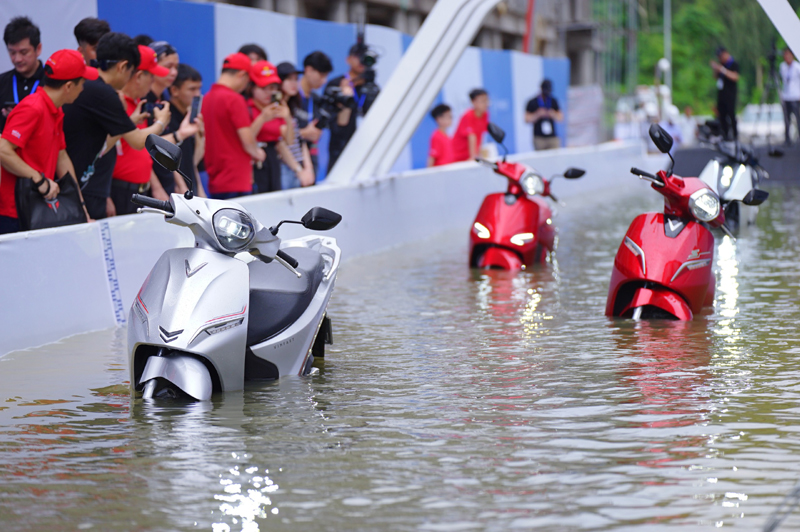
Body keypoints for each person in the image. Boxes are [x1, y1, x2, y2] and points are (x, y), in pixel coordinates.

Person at [63, 32, 170, 219]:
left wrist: (128, 124)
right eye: (131, 72)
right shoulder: (104, 93)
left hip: (78, 184)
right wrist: (161, 122)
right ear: (122, 67)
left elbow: (103, 145)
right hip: (75, 187)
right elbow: (137, 142)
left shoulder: (93, 86)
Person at [0, 49, 96, 234]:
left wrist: (80, 204)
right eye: (82, 83)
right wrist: (37, 178)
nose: (83, 88)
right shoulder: (32, 108)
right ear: (68, 86)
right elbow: (3, 150)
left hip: (37, 206)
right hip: (14, 212)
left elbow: (62, 156)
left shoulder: (55, 110)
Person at [110, 45, 170, 215]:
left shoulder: (138, 105)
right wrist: (161, 123)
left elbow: (141, 151)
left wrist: (156, 187)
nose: (153, 82)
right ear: (138, 76)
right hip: (119, 192)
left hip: (140, 191)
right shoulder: (117, 104)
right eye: (151, 76)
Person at [203, 52, 266, 199]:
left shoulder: (206, 98)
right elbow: (247, 139)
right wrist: (257, 153)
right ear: (242, 75)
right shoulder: (234, 99)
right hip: (237, 179)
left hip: (216, 179)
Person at [326, 44, 381, 172]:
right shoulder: (336, 84)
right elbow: (335, 124)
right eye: (357, 56)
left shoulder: (371, 88)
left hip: (366, 146)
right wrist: (345, 96)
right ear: (348, 59)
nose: (361, 60)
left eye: (364, 56)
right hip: (340, 146)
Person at [159, 63, 206, 197]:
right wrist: (181, 185)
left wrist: (200, 134)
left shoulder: (188, 118)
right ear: (174, 90)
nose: (197, 94)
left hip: (190, 190)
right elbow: (164, 157)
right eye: (192, 89)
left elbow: (194, 160)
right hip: (174, 193)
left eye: (199, 88)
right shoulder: (166, 117)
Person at [247, 60, 291, 193]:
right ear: (252, 87)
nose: (268, 93)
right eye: (263, 88)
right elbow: (247, 138)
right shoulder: (246, 107)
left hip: (273, 158)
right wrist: (262, 118)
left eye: (272, 88)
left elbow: (289, 141)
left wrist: (288, 117)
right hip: (255, 159)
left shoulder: (276, 109)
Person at [0, 17, 45, 133]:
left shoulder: (53, 82)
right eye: (12, 52)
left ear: (38, 49)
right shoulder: (2, 82)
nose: (17, 59)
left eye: (24, 52)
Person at [276, 62, 314, 189]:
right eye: (288, 79)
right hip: (284, 167)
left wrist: (308, 168)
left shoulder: (293, 106)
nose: (294, 83)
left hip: (298, 167)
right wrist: (299, 170)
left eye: (295, 79)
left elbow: (300, 141)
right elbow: (281, 144)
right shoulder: (275, 108)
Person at [297, 51, 332, 173]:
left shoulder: (317, 100)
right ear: (308, 70)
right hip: (292, 160)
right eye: (321, 75)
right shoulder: (290, 96)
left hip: (312, 159)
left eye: (326, 76)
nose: (324, 81)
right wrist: (301, 133)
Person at [451, 89, 490, 162]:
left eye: (487, 100)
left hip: (470, 158)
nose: (486, 104)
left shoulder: (485, 114)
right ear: (473, 102)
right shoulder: (468, 116)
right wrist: (473, 157)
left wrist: (478, 155)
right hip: (458, 157)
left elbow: (481, 135)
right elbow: (471, 136)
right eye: (483, 101)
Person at [711, 46, 740, 141]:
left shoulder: (733, 64)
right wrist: (716, 69)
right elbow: (715, 77)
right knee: (722, 114)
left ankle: (735, 135)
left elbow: (735, 77)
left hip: (730, 94)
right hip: (721, 94)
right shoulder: (721, 65)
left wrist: (723, 70)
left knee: (731, 114)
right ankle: (725, 134)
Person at [525, 79, 563, 150]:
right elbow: (527, 119)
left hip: (552, 137)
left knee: (555, 158)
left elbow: (560, 118)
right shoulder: (532, 102)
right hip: (539, 138)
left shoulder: (553, 101)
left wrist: (552, 114)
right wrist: (538, 114)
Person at [780, 47, 800, 145]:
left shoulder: (797, 67)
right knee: (786, 119)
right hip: (786, 96)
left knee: (798, 118)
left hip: (796, 96)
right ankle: (787, 139)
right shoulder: (782, 67)